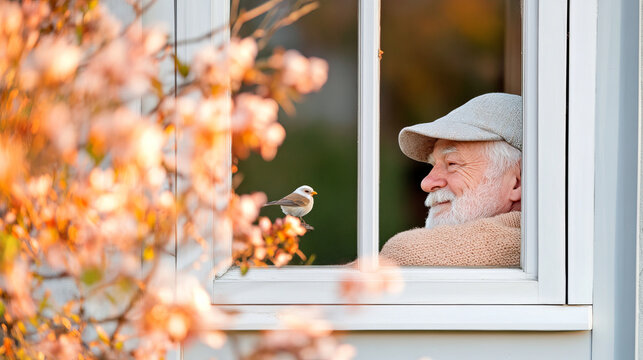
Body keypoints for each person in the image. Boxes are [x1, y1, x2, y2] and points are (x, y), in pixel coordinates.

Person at [380, 93, 522, 267]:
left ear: (517, 183)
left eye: (452, 163)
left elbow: (405, 251)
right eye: (433, 165)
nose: (426, 183)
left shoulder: (537, 244)